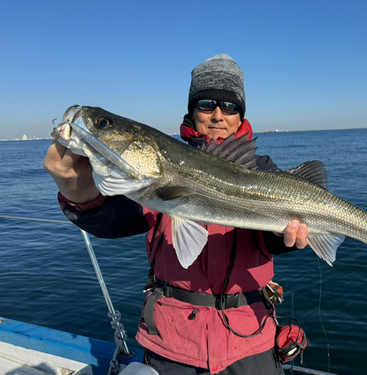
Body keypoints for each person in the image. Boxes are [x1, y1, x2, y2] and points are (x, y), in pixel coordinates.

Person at [44, 54, 309, 375]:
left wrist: (287, 237)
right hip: (172, 340)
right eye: (206, 104)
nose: (217, 115)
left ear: (241, 114)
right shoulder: (153, 166)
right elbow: (115, 218)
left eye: (230, 106)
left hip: (250, 337)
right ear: (191, 109)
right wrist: (81, 195)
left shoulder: (263, 170)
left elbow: (270, 238)